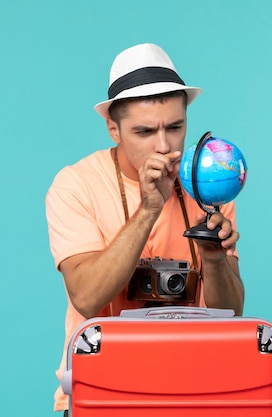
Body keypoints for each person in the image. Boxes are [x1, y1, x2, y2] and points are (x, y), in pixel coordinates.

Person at [45, 43, 245, 413]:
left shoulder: (208, 184)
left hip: (195, 389)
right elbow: (87, 298)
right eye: (144, 131)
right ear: (113, 129)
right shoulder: (76, 185)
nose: (164, 145)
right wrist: (149, 208)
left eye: (175, 127)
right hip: (103, 389)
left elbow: (231, 317)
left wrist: (215, 261)